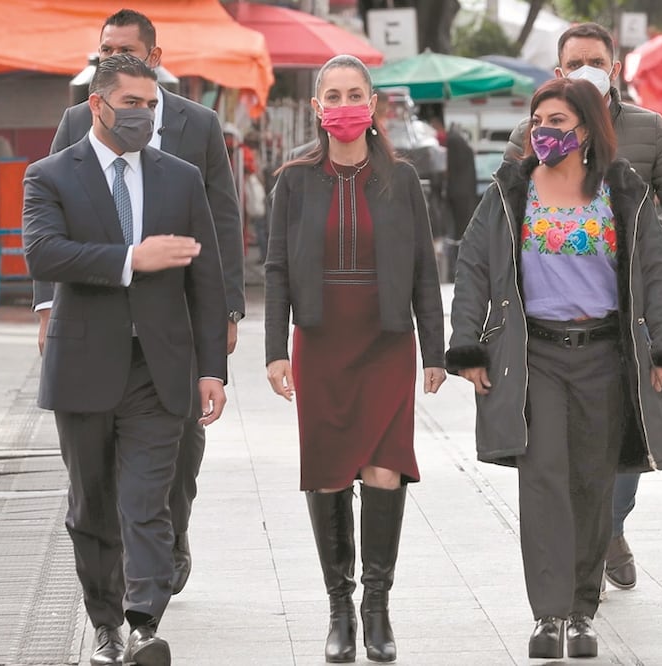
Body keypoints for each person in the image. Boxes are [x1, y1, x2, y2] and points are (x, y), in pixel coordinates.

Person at [448, 77, 662, 659]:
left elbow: (655, 270)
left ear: (586, 129)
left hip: (605, 356)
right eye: (538, 122)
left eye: (557, 122)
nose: (544, 133)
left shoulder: (623, 191)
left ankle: (582, 611)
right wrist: (467, 346)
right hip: (536, 358)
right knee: (544, 481)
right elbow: (473, 265)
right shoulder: (510, 190)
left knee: (592, 484)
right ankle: (548, 614)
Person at [21, 54, 229, 666]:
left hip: (157, 369)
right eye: (132, 103)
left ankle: (143, 625)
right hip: (83, 365)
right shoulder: (50, 175)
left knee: (147, 501)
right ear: (98, 105)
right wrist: (131, 259)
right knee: (91, 508)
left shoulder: (180, 178)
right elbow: (43, 254)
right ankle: (106, 625)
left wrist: (211, 369)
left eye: (151, 104)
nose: (144, 114)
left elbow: (207, 280)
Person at [505, 21, 662, 592]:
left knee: (622, 437)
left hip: (628, 318)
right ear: (558, 71)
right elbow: (501, 212)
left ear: (614, 69)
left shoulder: (648, 129)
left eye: (596, 62)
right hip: (550, 326)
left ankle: (610, 527)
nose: (585, 72)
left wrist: (649, 233)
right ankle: (579, 556)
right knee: (556, 446)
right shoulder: (533, 132)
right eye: (575, 64)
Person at [264, 54, 446, 664]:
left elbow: (424, 269)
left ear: (372, 105)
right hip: (320, 344)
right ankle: (339, 609)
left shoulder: (402, 178)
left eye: (354, 95)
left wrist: (435, 349)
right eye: (333, 96)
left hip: (386, 342)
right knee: (328, 472)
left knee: (385, 468)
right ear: (318, 108)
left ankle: (377, 608)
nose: (344, 105)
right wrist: (275, 350)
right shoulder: (293, 180)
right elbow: (276, 269)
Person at [429, 116, 478, 282]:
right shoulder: (460, 143)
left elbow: (448, 167)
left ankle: (453, 271)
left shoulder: (452, 142)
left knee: (455, 235)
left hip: (457, 196)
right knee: (461, 234)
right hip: (465, 194)